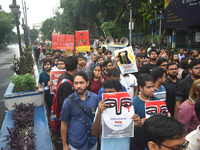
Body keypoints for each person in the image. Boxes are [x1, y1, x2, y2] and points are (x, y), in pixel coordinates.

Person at [92, 79, 142, 150]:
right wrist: (99, 114)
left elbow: (130, 131)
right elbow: (94, 133)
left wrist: (136, 125)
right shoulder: (101, 108)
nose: (108, 96)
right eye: (106, 92)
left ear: (119, 92)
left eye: (111, 92)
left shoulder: (129, 108)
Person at [60, 72, 99, 150]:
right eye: (76, 83)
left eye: (81, 83)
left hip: (92, 142)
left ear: (87, 83)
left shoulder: (95, 98)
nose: (78, 86)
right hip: (76, 144)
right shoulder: (68, 102)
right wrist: (64, 144)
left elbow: (98, 118)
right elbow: (64, 123)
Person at [131, 74, 159, 149]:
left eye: (153, 86)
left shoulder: (157, 101)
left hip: (155, 141)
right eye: (148, 87)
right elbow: (129, 128)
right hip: (139, 143)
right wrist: (138, 124)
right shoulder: (133, 103)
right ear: (141, 88)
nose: (152, 89)